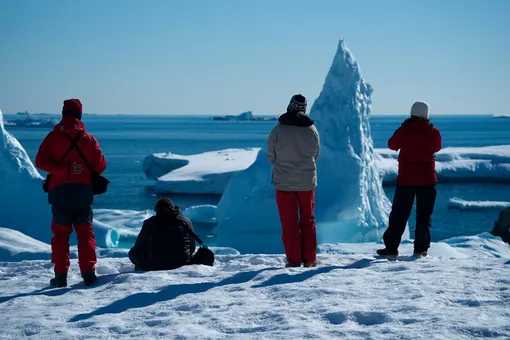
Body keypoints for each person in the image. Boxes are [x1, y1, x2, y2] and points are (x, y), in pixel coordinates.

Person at [35, 99, 107, 287]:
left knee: (60, 234)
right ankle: (89, 273)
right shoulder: (88, 139)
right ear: (80, 115)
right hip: (83, 191)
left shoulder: (52, 137)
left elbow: (40, 163)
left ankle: (60, 276)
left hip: (59, 191)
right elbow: (101, 165)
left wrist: (63, 170)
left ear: (63, 114)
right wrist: (78, 168)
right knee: (85, 233)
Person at [377, 101, 442, 258]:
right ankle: (420, 249)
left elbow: (392, 145)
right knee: (424, 216)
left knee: (399, 215)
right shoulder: (433, 132)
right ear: (426, 115)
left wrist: (404, 131)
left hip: (406, 180)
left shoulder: (404, 130)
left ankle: (391, 248)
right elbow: (437, 147)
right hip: (427, 181)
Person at [267, 94, 320, 268]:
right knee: (308, 220)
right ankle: (310, 259)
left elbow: (271, 156)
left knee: (289, 222)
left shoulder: (278, 130)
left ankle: (294, 260)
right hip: (306, 182)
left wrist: (284, 165)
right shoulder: (311, 130)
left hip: (284, 183)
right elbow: (316, 154)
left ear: (289, 106)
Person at [128, 198, 196, 271]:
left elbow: (139, 246)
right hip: (181, 261)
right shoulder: (185, 221)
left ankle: (140, 268)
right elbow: (192, 246)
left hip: (156, 263)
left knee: (132, 252)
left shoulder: (150, 222)